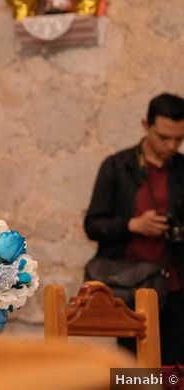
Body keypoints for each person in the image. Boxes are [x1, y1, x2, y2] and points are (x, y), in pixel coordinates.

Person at [84, 92, 184, 365]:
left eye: (179, 138)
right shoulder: (118, 167)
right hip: (128, 287)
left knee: (174, 370)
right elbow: (92, 225)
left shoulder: (181, 169)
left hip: (175, 284)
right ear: (145, 125)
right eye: (164, 137)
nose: (172, 146)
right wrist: (134, 225)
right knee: (129, 370)